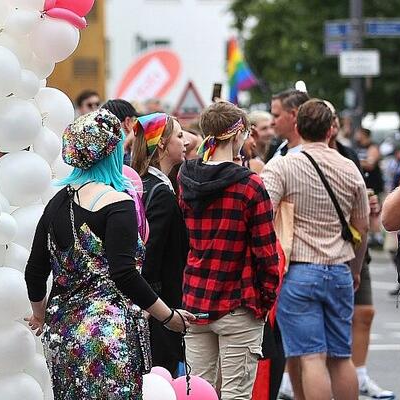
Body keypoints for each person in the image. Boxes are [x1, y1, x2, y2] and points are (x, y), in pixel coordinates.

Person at [25, 109, 195, 399]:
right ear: (111, 152)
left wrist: (39, 315)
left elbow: (35, 270)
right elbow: (124, 274)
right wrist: (169, 316)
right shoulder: (118, 202)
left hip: (63, 332)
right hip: (109, 334)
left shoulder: (56, 203)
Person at [261, 99, 369, 400]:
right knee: (340, 356)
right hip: (339, 269)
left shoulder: (282, 166)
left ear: (297, 126)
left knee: (310, 357)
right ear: (330, 128)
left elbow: (263, 213)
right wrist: (355, 268)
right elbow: (362, 226)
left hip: (299, 270)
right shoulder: (348, 167)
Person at [178, 101, 281, 399]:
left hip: (196, 297)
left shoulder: (186, 179)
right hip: (239, 300)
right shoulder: (250, 185)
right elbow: (266, 252)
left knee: (197, 393)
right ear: (238, 135)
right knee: (236, 395)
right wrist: (264, 301)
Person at [325, 108, 394, 400]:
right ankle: (299, 379)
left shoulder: (348, 153)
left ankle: (361, 375)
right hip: (322, 251)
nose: (335, 126)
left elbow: (363, 196)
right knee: (323, 331)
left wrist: (370, 204)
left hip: (354, 244)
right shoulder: (293, 155)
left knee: (364, 313)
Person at [128, 112, 190, 376]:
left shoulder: (140, 183)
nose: (185, 141)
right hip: (158, 305)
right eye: (179, 135)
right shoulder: (160, 192)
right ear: (162, 144)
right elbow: (150, 255)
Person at [266, 90, 310, 161]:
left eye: (276, 116)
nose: (272, 122)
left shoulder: (308, 155)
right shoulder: (282, 149)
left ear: (293, 115)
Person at [101, 99, 140, 163]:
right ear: (127, 122)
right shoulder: (128, 160)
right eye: (135, 120)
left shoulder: (100, 154)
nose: (138, 125)